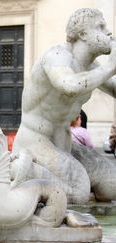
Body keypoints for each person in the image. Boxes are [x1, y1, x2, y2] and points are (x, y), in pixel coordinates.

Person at [12, 8, 116, 203]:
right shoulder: (57, 55)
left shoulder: (91, 68)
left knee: (112, 185)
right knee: (78, 191)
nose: (109, 32)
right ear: (83, 34)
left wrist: (110, 68)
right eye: (101, 27)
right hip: (36, 141)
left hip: (65, 144)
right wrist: (110, 66)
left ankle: (59, 181)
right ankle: (21, 169)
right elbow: (69, 85)